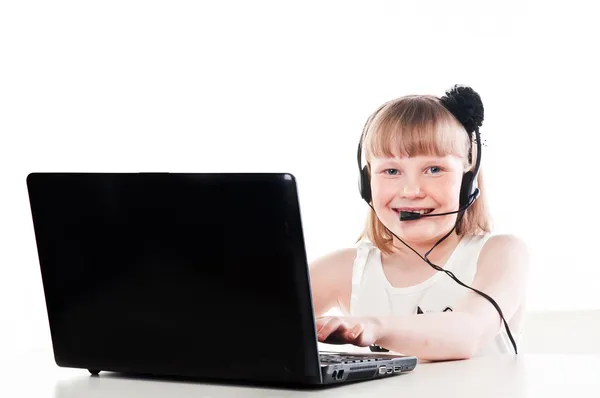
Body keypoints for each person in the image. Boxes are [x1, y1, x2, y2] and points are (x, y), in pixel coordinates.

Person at [308, 85, 529, 361]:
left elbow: (469, 332)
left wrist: (374, 327)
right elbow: (254, 320)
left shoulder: (500, 253)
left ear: (467, 181)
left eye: (434, 169)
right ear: (367, 184)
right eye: (391, 171)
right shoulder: (345, 269)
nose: (411, 191)